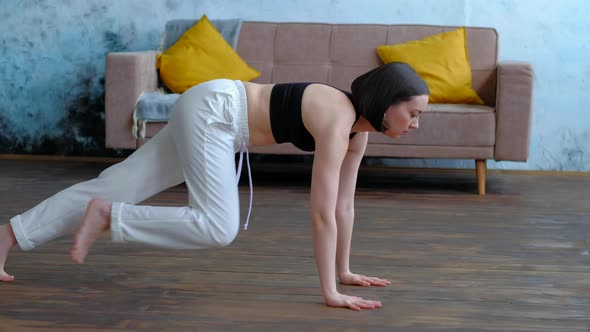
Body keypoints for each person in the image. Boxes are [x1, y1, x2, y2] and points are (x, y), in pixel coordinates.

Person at [0, 62, 429, 311]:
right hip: (216, 114)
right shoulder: (338, 120)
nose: (415, 124)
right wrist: (329, 293)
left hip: (212, 111)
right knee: (217, 226)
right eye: (412, 113)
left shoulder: (358, 132)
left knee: (112, 185)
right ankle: (110, 217)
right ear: (386, 102)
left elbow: (342, 208)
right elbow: (319, 211)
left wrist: (344, 271)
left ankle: (7, 235)